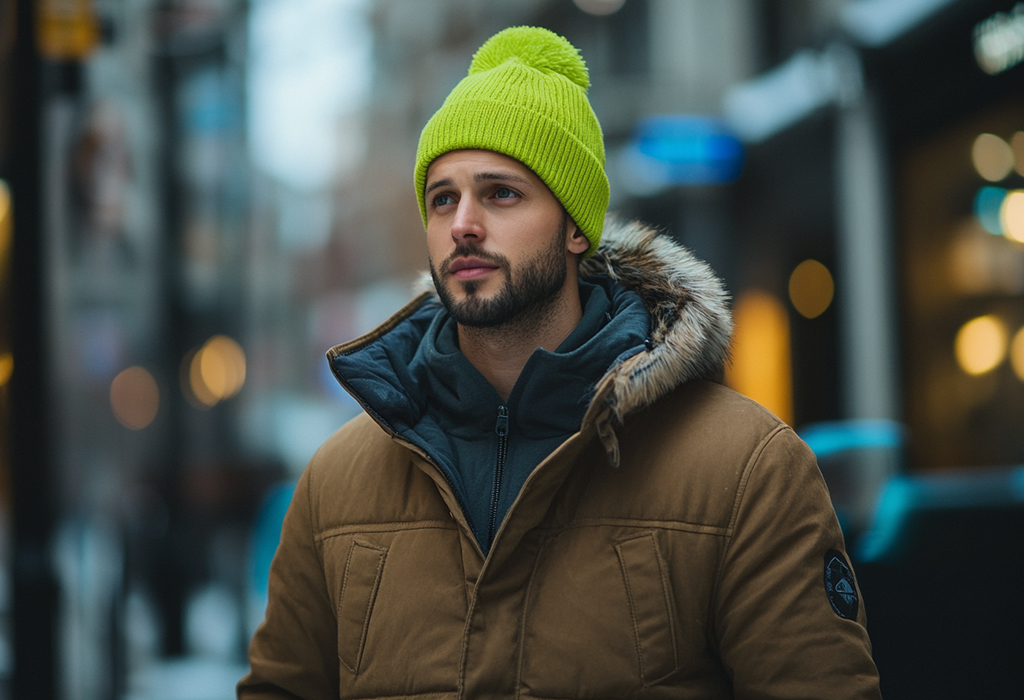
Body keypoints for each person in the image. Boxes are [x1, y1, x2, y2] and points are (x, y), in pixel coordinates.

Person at [239, 26, 881, 700]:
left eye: (501, 194)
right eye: (443, 197)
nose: (463, 223)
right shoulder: (336, 482)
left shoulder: (744, 467)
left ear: (577, 227)